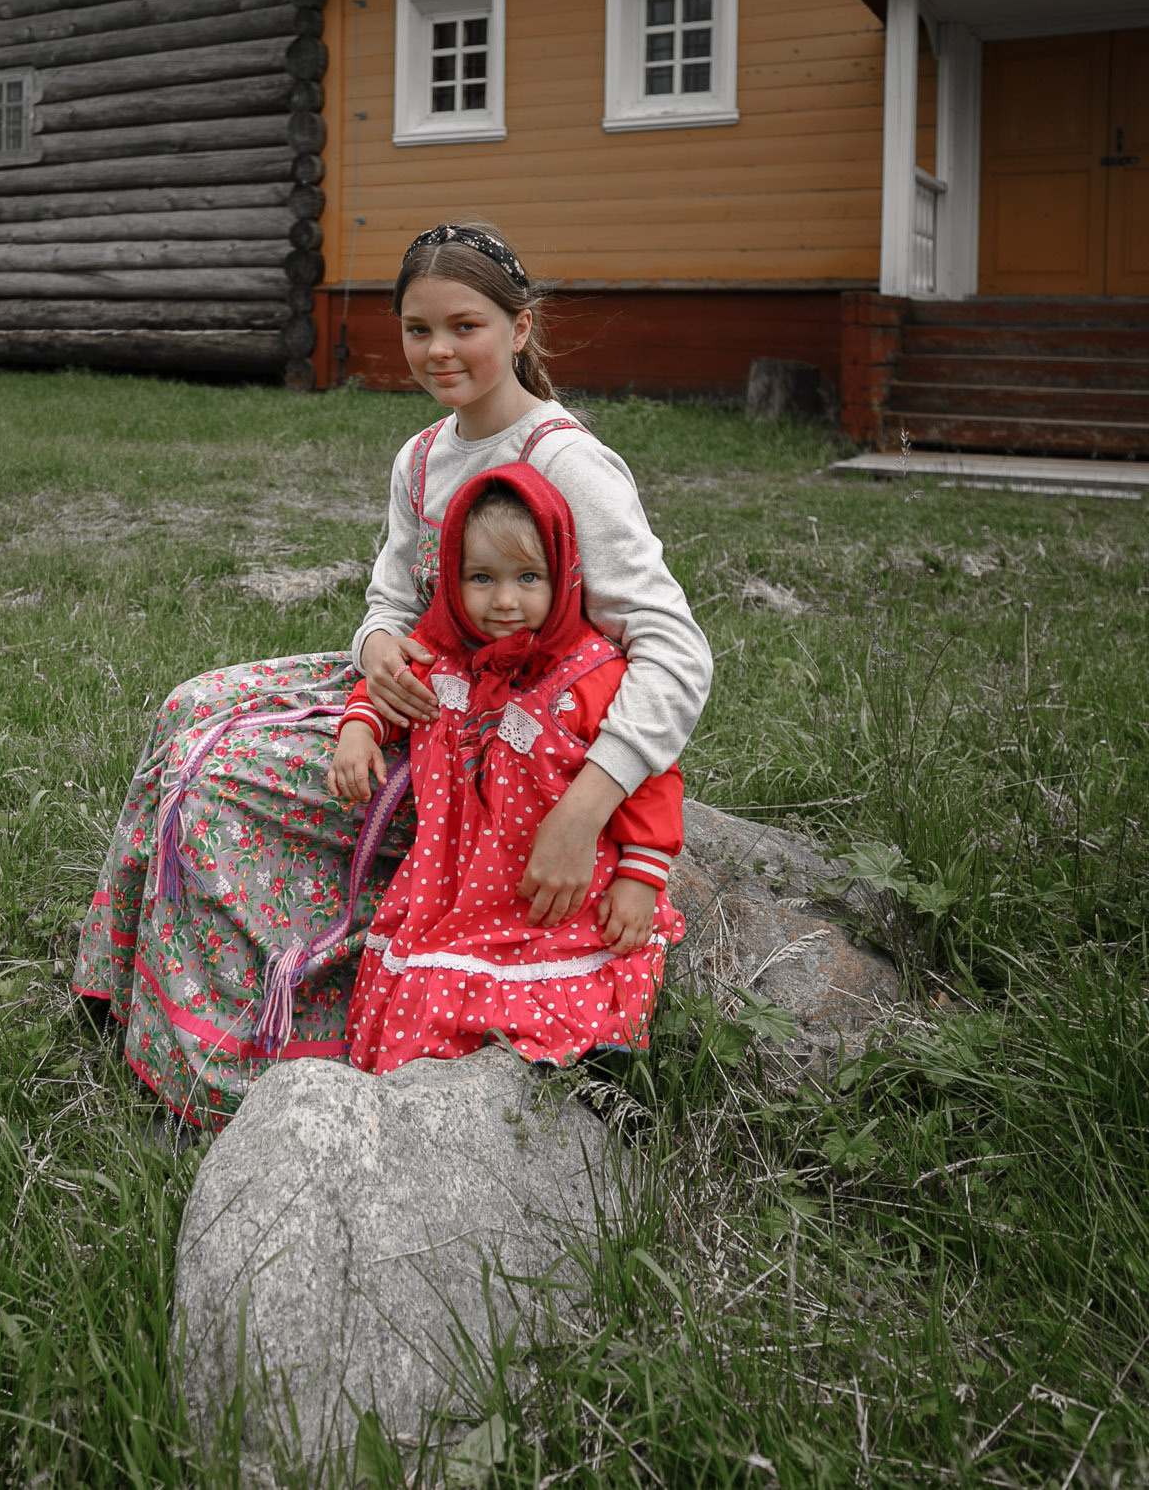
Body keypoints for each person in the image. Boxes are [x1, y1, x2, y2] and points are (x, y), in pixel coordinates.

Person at [74, 219, 712, 1130]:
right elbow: (388, 600)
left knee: (216, 783)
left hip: (495, 744)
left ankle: (231, 1065)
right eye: (419, 329)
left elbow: (676, 652)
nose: (439, 350)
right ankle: (119, 985)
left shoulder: (567, 464)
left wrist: (586, 812)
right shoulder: (421, 458)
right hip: (420, 691)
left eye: (466, 325)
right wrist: (378, 652)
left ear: (521, 330)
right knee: (189, 706)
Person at [329, 466, 684, 1073]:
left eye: (528, 578)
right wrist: (360, 730)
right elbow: (387, 692)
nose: (504, 601)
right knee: (429, 984)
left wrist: (641, 877)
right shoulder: (441, 657)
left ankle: (581, 1078)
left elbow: (650, 775)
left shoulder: (591, 675)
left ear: (566, 576)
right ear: (450, 580)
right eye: (481, 578)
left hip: (559, 895)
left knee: (569, 988)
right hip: (454, 886)